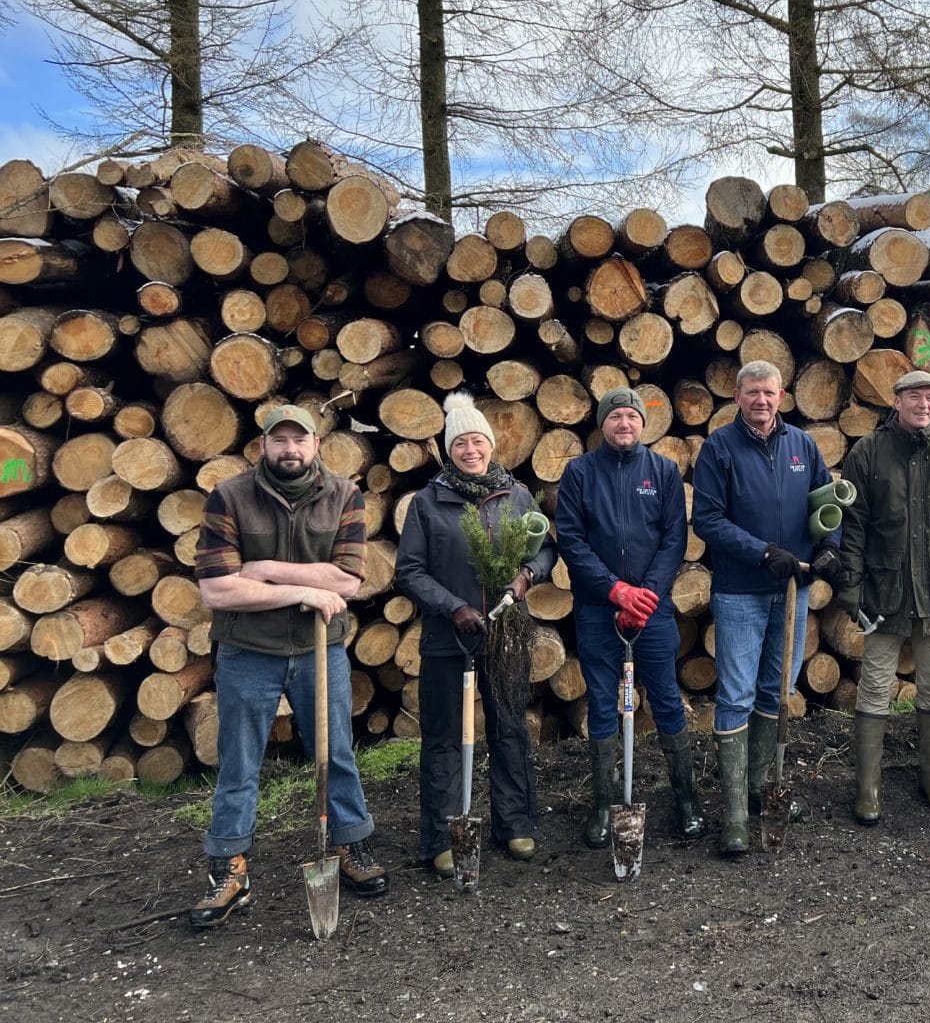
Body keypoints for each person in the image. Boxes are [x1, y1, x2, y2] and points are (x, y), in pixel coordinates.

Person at [190, 404, 387, 928]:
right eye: (280, 441)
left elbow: (347, 582)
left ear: (316, 445)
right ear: (263, 446)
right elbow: (217, 587)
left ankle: (350, 846)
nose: (290, 450)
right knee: (239, 759)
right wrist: (303, 588)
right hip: (247, 652)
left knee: (336, 752)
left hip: (321, 648)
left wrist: (266, 572)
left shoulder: (344, 495)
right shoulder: (229, 496)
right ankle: (229, 866)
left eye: (300, 440)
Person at [395, 392, 559, 876]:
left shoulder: (517, 495)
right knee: (445, 736)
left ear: (491, 446)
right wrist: (454, 607)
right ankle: (443, 835)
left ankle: (515, 823)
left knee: (509, 729)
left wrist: (528, 576)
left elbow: (545, 550)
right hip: (450, 637)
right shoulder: (429, 503)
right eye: (461, 443)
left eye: (478, 441)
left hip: (505, 632)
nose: (471, 450)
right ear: (450, 449)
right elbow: (409, 570)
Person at [691, 362, 841, 854]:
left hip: (792, 591)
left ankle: (760, 791)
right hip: (741, 592)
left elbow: (827, 507)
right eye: (753, 392)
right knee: (734, 693)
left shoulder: (803, 445)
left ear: (782, 396)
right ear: (737, 396)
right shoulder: (719, 448)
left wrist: (830, 547)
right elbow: (707, 520)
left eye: (769, 393)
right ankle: (734, 813)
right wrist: (761, 552)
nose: (762, 400)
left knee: (776, 689)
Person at [837, 370, 930, 825]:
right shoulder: (868, 452)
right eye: (915, 397)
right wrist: (850, 580)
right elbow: (854, 525)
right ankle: (867, 788)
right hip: (885, 590)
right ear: (897, 401)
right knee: (877, 684)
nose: (925, 404)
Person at [555, 387, 704, 847]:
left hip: (652, 611)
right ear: (603, 424)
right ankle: (603, 805)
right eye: (616, 416)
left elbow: (673, 539)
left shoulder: (662, 471)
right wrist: (614, 589)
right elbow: (571, 540)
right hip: (599, 610)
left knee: (664, 697)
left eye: (632, 417)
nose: (624, 424)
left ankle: (686, 800)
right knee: (602, 703)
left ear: (644, 424)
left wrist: (647, 593)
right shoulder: (579, 473)